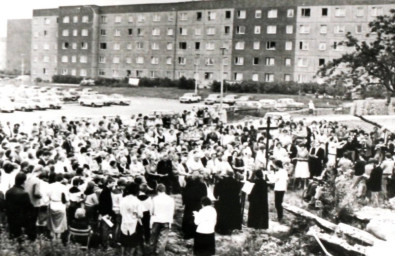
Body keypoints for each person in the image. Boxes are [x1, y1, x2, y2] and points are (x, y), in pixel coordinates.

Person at [5, 172, 34, 240]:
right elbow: (29, 206)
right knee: (20, 237)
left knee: (13, 235)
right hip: (21, 218)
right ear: (23, 182)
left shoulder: (8, 191)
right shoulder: (24, 193)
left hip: (11, 217)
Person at [213, 170, 242, 235]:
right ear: (232, 175)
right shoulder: (236, 183)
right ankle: (231, 228)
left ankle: (222, 229)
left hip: (223, 202)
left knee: (222, 213)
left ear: (226, 175)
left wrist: (217, 196)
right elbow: (238, 193)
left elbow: (215, 193)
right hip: (233, 203)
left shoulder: (221, 182)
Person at [150, 184, 175, 255]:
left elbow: (151, 211)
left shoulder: (154, 199)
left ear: (157, 190)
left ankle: (152, 253)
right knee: (162, 240)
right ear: (164, 190)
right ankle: (160, 254)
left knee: (153, 238)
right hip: (166, 220)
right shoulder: (170, 199)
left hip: (156, 220)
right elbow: (172, 211)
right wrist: (170, 222)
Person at [119, 182, 143, 255]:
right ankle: (130, 254)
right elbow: (140, 215)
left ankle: (122, 254)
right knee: (133, 242)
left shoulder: (123, 200)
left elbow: (121, 211)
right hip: (133, 223)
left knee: (123, 241)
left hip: (124, 221)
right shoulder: (137, 201)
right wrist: (135, 214)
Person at [182, 171, 207, 239]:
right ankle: (196, 232)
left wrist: (184, 202)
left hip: (189, 204)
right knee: (196, 218)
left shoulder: (189, 183)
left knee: (188, 218)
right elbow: (205, 195)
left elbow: (184, 193)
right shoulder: (202, 184)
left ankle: (187, 233)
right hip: (197, 204)